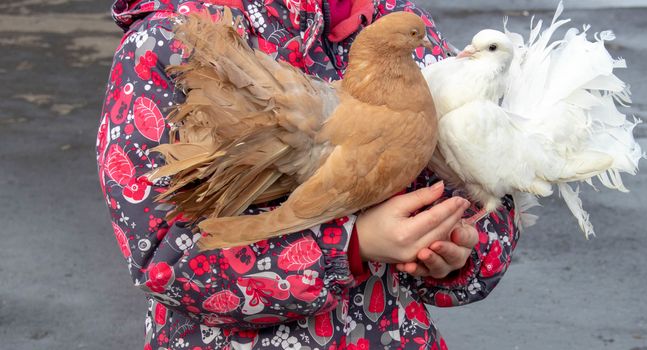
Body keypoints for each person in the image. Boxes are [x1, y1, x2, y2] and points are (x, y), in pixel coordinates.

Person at [96, 0, 519, 348]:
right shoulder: (167, 39)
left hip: (391, 336)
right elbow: (160, 259)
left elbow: (485, 175)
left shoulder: (396, 23)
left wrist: (457, 246)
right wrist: (351, 245)